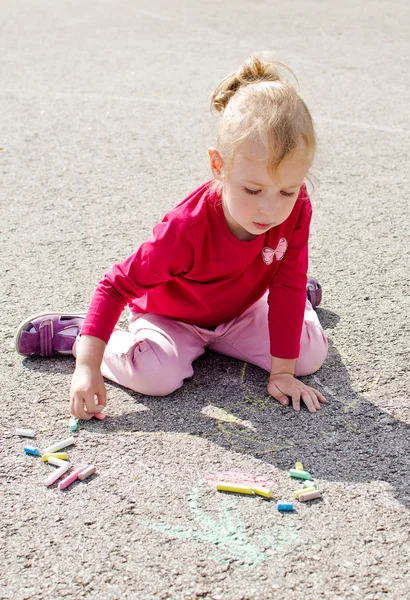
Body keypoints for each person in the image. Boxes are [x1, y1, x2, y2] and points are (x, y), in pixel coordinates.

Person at [16, 53, 328, 419]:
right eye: (253, 190)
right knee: (157, 378)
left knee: (307, 357)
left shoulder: (296, 205)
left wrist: (283, 374)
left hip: (242, 308)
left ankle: (284, 299)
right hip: (173, 319)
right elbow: (115, 286)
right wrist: (87, 366)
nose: (269, 210)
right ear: (219, 166)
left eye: (287, 192)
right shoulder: (187, 228)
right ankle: (77, 336)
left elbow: (288, 281)